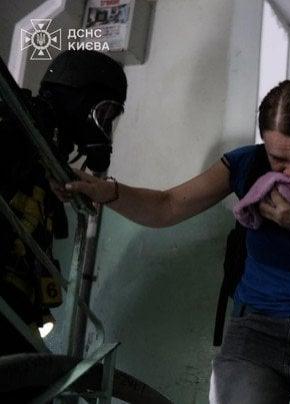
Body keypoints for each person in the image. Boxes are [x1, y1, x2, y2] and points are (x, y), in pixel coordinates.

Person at [54, 79, 290, 403]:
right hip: (255, 332)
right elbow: (167, 206)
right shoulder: (246, 163)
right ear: (264, 143)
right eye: (278, 159)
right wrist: (109, 192)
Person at [0, 49, 127, 355]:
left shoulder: (48, 164)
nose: (104, 127)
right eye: (104, 114)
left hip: (19, 307)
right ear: (79, 99)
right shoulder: (17, 123)